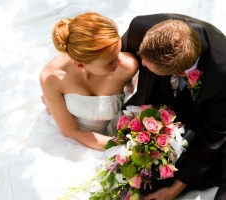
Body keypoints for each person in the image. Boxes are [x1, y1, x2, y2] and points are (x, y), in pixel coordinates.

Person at [121, 13, 226, 200]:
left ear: (178, 72)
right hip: (156, 105)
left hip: (201, 118)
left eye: (147, 63)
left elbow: (212, 138)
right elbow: (112, 53)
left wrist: (174, 191)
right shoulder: (142, 28)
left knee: (154, 181)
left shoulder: (221, 77)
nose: (141, 63)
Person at [39, 12, 138, 150]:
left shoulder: (127, 66)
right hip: (70, 140)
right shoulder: (52, 77)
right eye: (110, 62)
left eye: (119, 51)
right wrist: (123, 146)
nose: (119, 61)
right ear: (80, 64)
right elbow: (71, 132)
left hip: (112, 134)